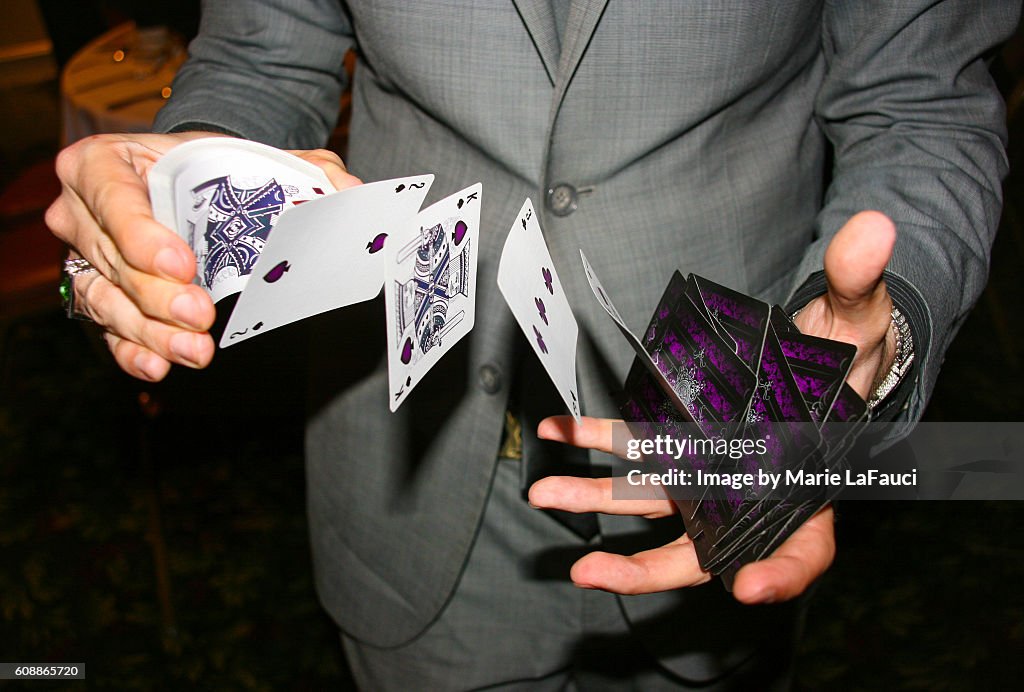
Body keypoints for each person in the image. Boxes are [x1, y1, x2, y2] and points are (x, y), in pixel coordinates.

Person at [46, 1, 1018, 688]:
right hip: (405, 452)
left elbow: (919, 100)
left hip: (730, 443)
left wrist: (863, 341)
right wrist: (178, 206)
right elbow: (261, 58)